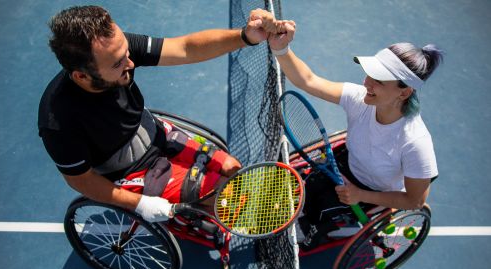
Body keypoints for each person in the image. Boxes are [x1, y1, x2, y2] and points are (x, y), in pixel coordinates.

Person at [38, 5, 281, 224]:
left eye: (127, 53)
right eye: (117, 64)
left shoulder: (117, 52)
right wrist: (139, 204)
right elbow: (81, 180)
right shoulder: (58, 122)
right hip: (129, 170)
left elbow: (185, 48)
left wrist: (245, 37)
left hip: (153, 132)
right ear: (82, 76)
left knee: (232, 166)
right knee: (223, 197)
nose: (131, 63)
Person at [268, 21, 443, 249]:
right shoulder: (360, 98)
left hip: (373, 191)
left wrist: (360, 195)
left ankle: (346, 226)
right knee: (302, 191)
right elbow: (308, 80)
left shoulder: (415, 143)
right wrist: (281, 48)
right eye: (369, 74)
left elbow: (415, 201)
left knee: (315, 216)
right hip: (345, 163)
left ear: (405, 91)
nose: (366, 82)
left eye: (378, 81)